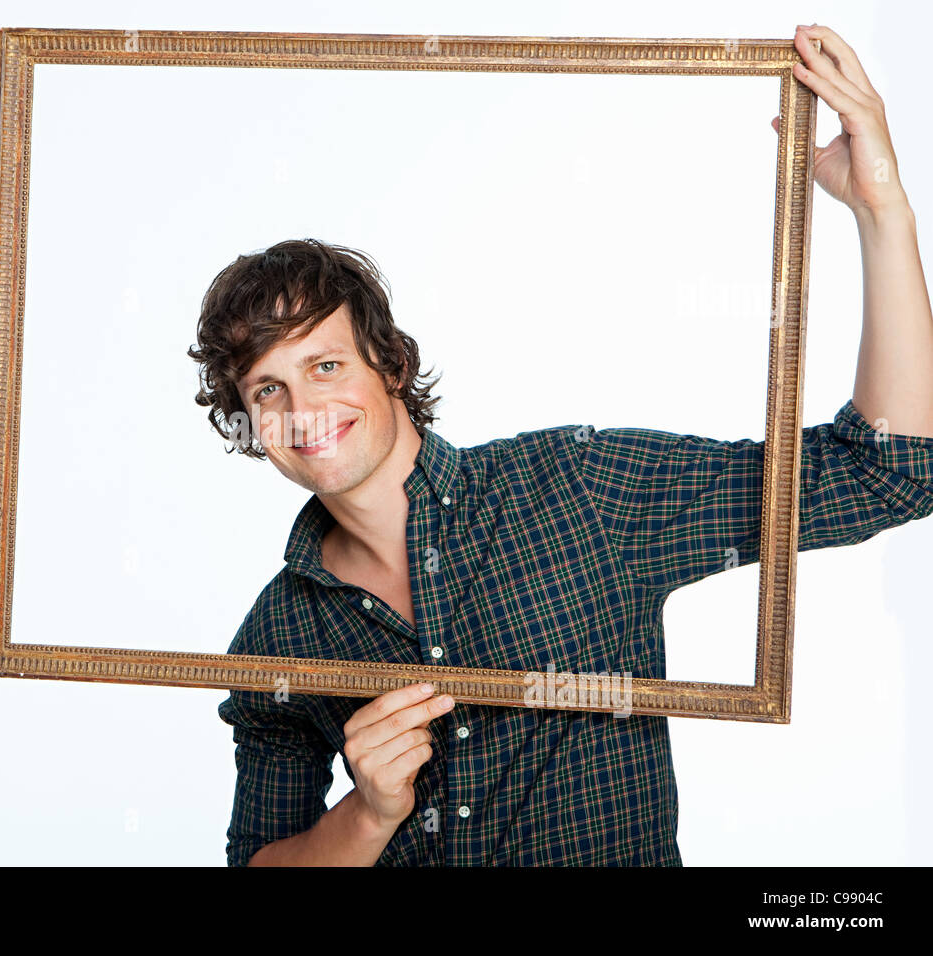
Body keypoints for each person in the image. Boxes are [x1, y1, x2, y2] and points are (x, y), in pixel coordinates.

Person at [187, 24, 933, 866]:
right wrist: (366, 814)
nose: (303, 408)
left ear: (389, 364)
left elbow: (886, 474)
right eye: (268, 390)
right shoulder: (278, 634)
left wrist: (882, 208)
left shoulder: (579, 488)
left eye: (326, 364)